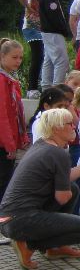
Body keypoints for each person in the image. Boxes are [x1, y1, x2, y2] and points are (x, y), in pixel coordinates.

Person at [0, 108, 80, 269]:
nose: (74, 126)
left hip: (8, 218)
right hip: (21, 220)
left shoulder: (41, 145)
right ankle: (29, 246)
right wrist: (65, 191)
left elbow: (66, 177)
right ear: (56, 128)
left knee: (73, 188)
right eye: (69, 124)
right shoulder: (58, 153)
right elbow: (62, 198)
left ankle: (55, 248)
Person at [0, 40, 30, 198]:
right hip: (3, 143)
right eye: (14, 57)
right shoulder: (2, 80)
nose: (18, 61)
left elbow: (18, 113)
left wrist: (22, 137)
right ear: (2, 56)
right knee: (3, 184)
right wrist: (10, 144)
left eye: (20, 57)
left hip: (8, 140)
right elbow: (2, 115)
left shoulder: (10, 79)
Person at [36, 0, 72, 90]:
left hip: (47, 31)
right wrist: (64, 30)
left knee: (49, 59)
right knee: (61, 61)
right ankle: (57, 87)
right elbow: (54, 16)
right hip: (54, 32)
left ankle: (46, 86)